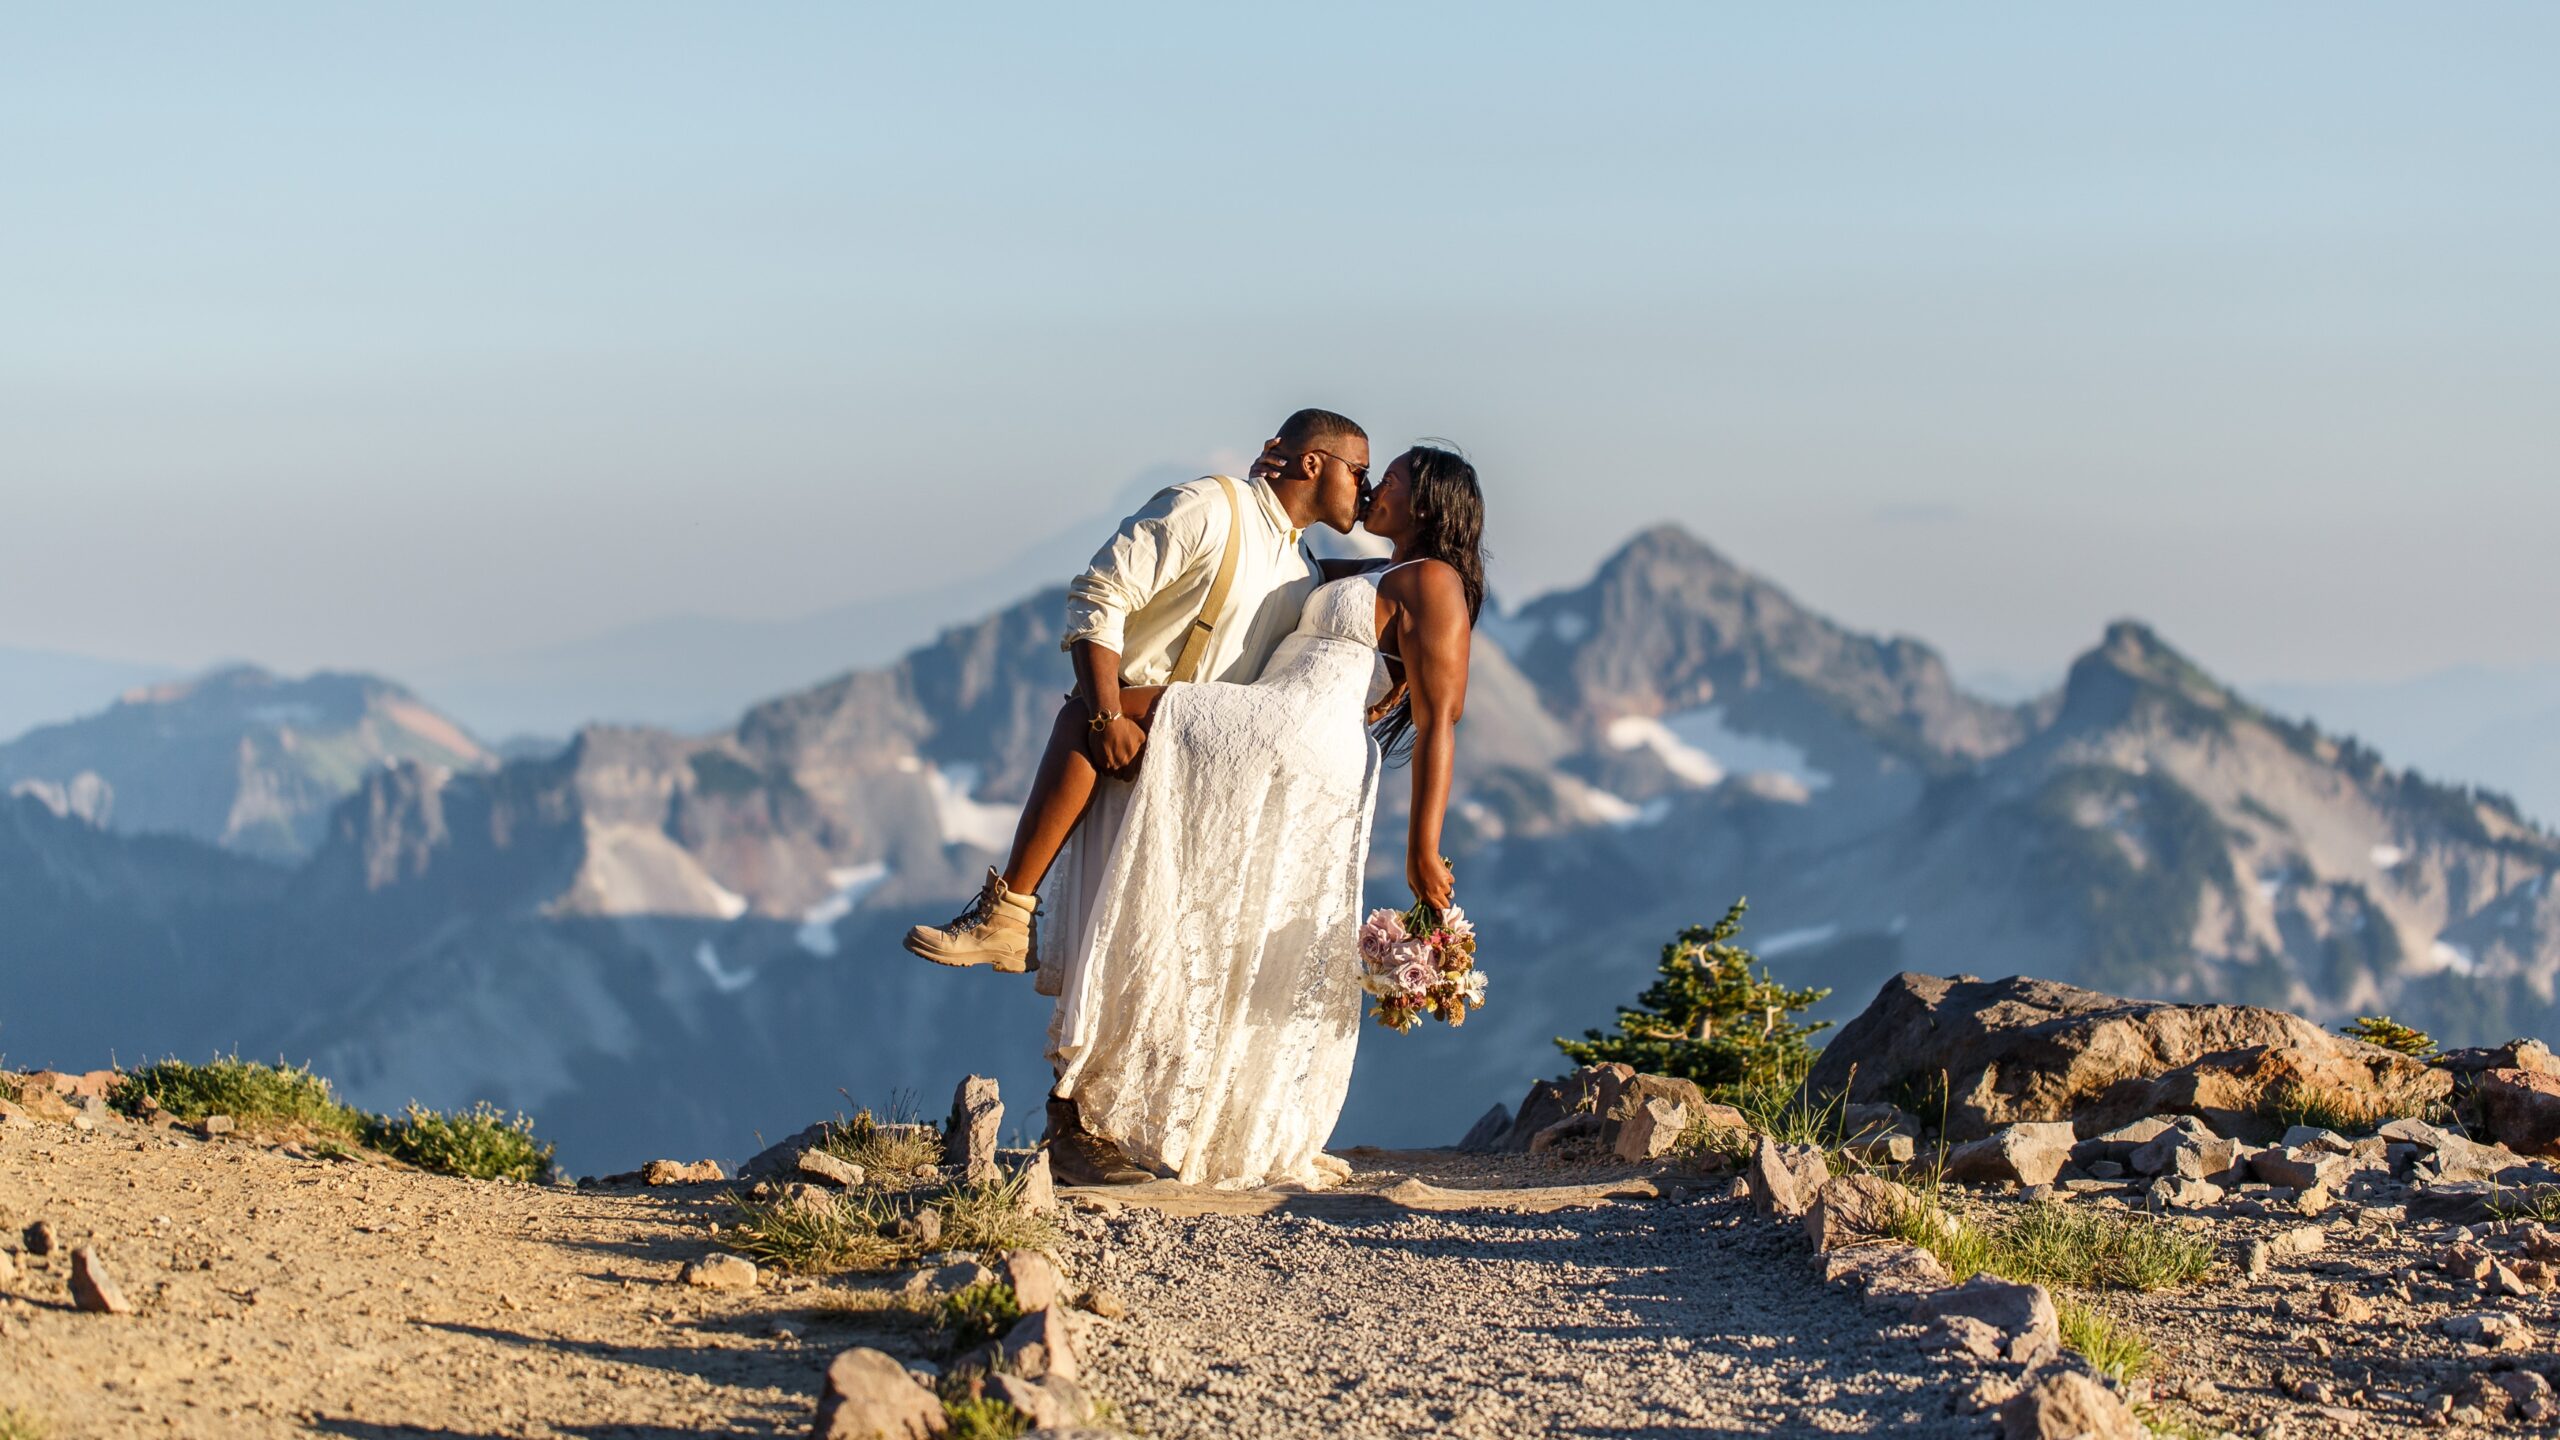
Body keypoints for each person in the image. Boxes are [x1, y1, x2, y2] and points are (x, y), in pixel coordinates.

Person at [903, 408, 1370, 1180]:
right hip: (1129, 749)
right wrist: (1107, 712)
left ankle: (1145, 1127)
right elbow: (1100, 594)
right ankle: (1069, 1119)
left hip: (1203, 787)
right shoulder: (1207, 507)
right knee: (1101, 935)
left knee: (1167, 952)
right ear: (1313, 464)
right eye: (1359, 468)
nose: (1367, 484)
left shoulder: (1303, 568)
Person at [1044, 444, 1484, 1188]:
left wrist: (1424, 847)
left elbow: (1443, 718)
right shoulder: (1375, 573)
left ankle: (1012, 900)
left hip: (1295, 732)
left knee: (1096, 709)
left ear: (1429, 503)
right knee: (1227, 921)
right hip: (1281, 731)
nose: (1378, 485)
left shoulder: (1436, 581)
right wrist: (1271, 483)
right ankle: (1149, 1117)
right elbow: (1284, 551)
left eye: (1397, 478)